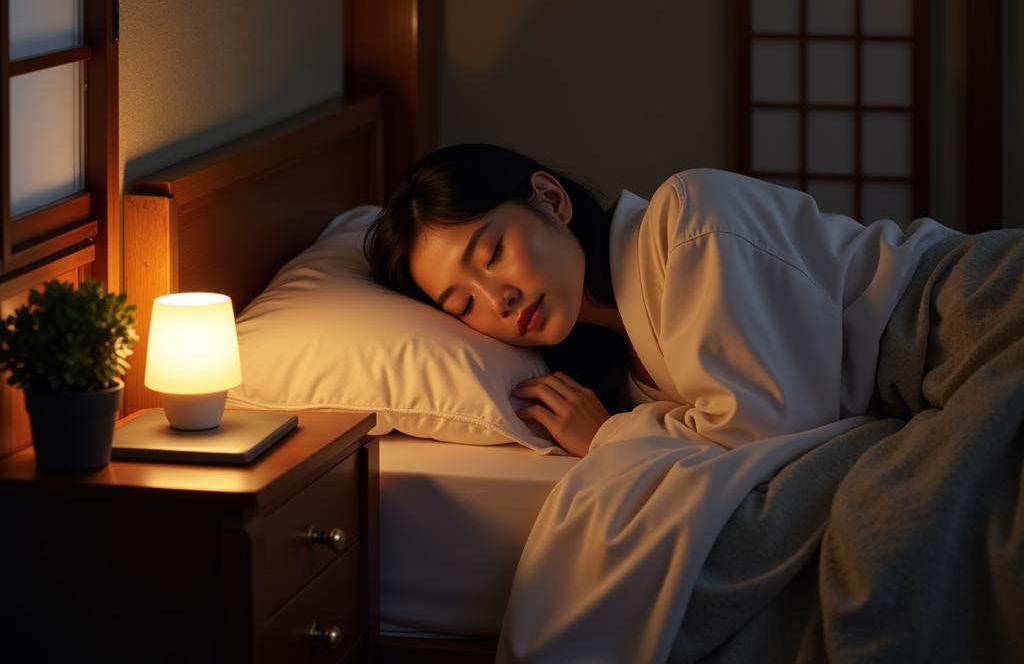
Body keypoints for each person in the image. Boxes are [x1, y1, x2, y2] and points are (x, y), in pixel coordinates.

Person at [364, 144, 957, 457]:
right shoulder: (617, 376)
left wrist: (608, 440)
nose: (499, 298)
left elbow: (769, 438)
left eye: (491, 254)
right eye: (463, 305)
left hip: (954, 316)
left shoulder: (688, 221)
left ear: (548, 198)